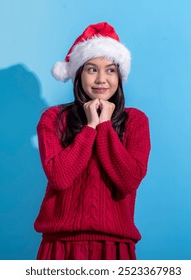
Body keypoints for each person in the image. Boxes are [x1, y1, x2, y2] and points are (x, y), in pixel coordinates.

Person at [34, 22, 151, 260]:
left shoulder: (136, 120)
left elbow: (128, 181)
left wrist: (106, 126)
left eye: (110, 70)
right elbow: (59, 177)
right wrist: (90, 127)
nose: (101, 79)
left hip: (115, 247)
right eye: (91, 69)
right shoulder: (53, 118)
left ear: (120, 75)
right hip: (60, 247)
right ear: (78, 74)